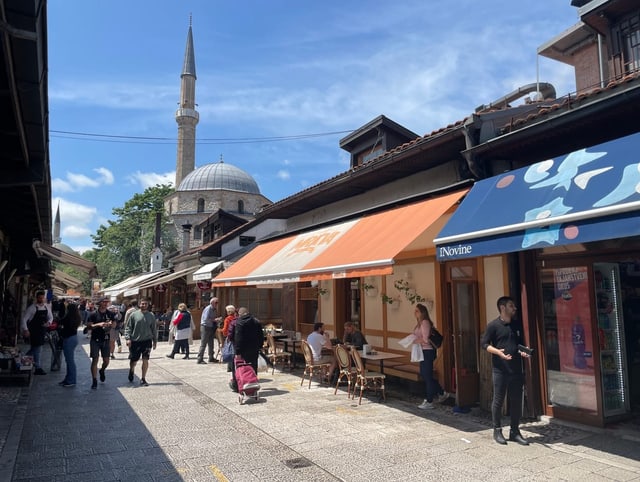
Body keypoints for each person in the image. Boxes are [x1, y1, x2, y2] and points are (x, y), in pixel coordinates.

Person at [480, 296, 530, 446]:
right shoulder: (493, 326)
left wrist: (523, 351)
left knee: (516, 401)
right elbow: (484, 344)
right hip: (500, 370)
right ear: (502, 308)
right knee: (498, 400)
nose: (514, 308)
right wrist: (498, 352)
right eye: (511, 305)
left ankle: (515, 431)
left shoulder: (516, 325)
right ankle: (497, 430)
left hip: (516, 369)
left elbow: (518, 344)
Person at [412, 303, 449, 410]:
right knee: (425, 375)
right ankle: (441, 392)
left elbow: (425, 339)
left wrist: (415, 340)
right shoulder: (419, 323)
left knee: (427, 375)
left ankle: (429, 400)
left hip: (427, 351)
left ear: (422, 312)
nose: (415, 313)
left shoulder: (425, 322)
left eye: (417, 311)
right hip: (422, 351)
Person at [125, 298, 158, 386]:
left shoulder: (151, 315)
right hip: (135, 341)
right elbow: (128, 327)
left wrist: (155, 340)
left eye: (145, 304)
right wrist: (128, 338)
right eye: (142, 304)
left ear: (148, 305)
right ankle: (131, 370)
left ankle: (143, 378)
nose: (144, 305)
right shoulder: (133, 315)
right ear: (139, 304)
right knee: (134, 360)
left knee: (145, 359)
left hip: (147, 341)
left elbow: (154, 329)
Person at [20, 290, 53, 375]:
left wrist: (48, 323)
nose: (41, 299)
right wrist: (26, 329)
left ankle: (22, 359)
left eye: (43, 298)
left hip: (42, 331)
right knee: (38, 349)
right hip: (34, 331)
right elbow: (24, 319)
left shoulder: (47, 307)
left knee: (34, 349)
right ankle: (38, 368)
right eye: (40, 298)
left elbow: (50, 317)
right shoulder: (32, 308)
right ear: (37, 298)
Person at [231, 307, 264, 390]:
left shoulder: (240, 322)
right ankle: (253, 385)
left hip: (243, 349)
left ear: (240, 314)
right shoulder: (256, 321)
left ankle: (239, 385)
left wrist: (237, 352)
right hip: (254, 349)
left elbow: (238, 338)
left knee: (240, 368)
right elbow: (261, 336)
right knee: (253, 367)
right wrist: (260, 346)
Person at [87, 298, 117, 389]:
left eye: (106, 302)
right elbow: (89, 326)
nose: (105, 304)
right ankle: (94, 380)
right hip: (95, 339)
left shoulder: (110, 314)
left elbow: (114, 325)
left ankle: (102, 370)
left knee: (106, 360)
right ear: (99, 303)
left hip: (106, 339)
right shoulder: (93, 314)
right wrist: (98, 324)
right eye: (103, 302)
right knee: (95, 360)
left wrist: (110, 324)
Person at [58, 302, 81, 387]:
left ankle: (71, 380)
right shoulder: (77, 317)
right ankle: (67, 379)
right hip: (73, 338)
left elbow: (60, 322)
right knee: (69, 360)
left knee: (70, 361)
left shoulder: (68, 317)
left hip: (69, 339)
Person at [196, 297, 221, 364]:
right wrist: (215, 319)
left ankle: (211, 357)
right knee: (203, 343)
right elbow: (206, 319)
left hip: (211, 327)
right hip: (205, 327)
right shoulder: (208, 309)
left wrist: (217, 320)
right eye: (216, 303)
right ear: (212, 303)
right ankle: (200, 358)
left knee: (211, 343)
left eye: (217, 302)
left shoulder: (214, 309)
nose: (217, 304)